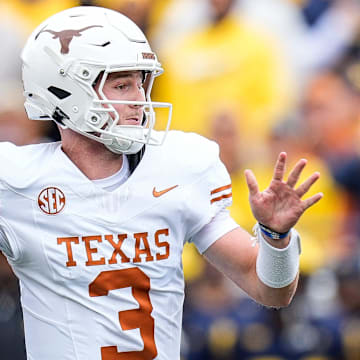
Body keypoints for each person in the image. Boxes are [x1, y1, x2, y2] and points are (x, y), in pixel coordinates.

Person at [0, 6, 323, 360]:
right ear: (64, 90)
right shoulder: (16, 182)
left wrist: (276, 238)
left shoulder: (178, 167)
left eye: (141, 82)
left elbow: (271, 291)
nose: (140, 99)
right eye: (122, 85)